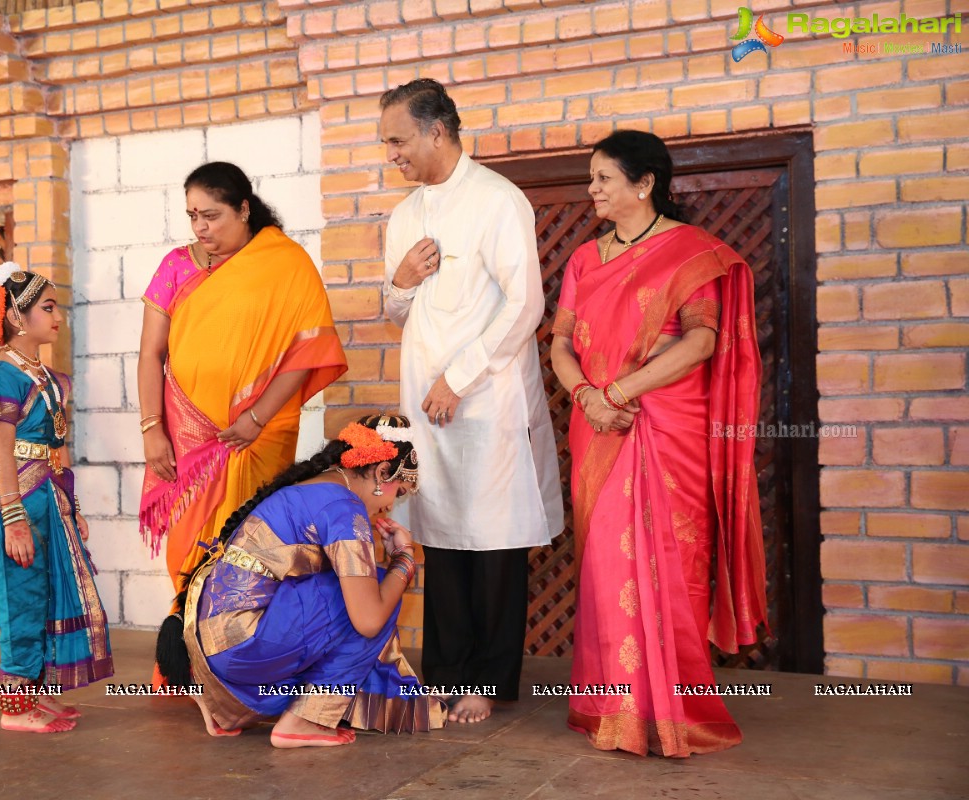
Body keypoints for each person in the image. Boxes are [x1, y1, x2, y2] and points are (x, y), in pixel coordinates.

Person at [550, 129, 768, 757]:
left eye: (602, 179)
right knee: (606, 566)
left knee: (671, 566)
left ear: (643, 184)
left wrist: (619, 393)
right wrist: (590, 397)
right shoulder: (587, 260)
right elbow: (561, 343)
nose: (592, 190)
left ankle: (671, 714)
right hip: (598, 425)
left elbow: (702, 341)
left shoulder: (691, 252)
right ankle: (616, 711)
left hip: (665, 426)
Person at [379, 79, 562, 724]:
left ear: (437, 130)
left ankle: (486, 681)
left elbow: (526, 305)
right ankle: (446, 672)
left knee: (492, 537)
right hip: (424, 402)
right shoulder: (403, 215)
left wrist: (458, 379)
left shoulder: (496, 200)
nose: (391, 155)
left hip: (483, 398)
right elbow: (396, 312)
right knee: (442, 533)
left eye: (398, 140)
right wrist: (401, 282)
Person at [159, 414, 445, 748]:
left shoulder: (315, 487)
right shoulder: (344, 508)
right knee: (380, 590)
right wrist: (404, 561)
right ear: (382, 474)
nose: (389, 507)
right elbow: (368, 621)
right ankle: (305, 720)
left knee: (357, 593)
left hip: (214, 648)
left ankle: (226, 704)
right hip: (245, 644)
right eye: (399, 492)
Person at [137, 161, 347, 612]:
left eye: (211, 215)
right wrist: (152, 428)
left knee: (253, 554)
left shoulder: (285, 262)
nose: (200, 226)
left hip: (258, 437)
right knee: (188, 556)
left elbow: (304, 351)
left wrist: (256, 418)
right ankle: (187, 660)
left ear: (244, 209)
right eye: (193, 215)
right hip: (187, 438)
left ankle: (242, 667)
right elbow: (150, 354)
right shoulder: (176, 266)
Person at [0, 262, 113, 733]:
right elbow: (4, 451)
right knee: (21, 600)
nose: (57, 317)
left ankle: (36, 696)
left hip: (46, 496)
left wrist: (72, 509)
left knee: (46, 597)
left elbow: (57, 447)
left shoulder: (49, 378)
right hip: (11, 499)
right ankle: (15, 710)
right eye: (48, 308)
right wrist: (13, 520)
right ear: (14, 316)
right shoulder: (4, 377)